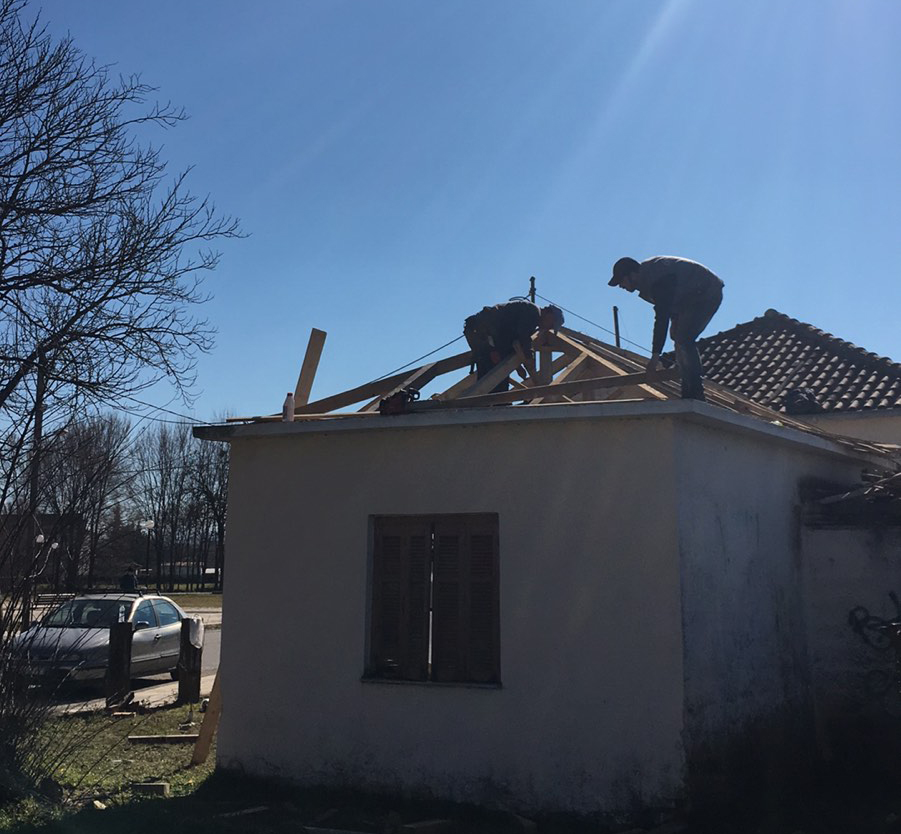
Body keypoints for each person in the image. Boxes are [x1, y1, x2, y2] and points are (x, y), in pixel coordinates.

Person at [608, 256, 723, 401]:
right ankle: (687, 386)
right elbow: (671, 302)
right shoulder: (649, 278)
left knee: (684, 338)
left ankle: (695, 390)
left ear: (632, 274)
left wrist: (655, 357)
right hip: (689, 298)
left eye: (622, 281)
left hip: (706, 293)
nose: (621, 286)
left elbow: (661, 317)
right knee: (676, 335)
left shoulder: (657, 279)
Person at [463, 300, 564, 392]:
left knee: (494, 377)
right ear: (549, 314)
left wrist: (518, 367)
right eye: (551, 325)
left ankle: (486, 402)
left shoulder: (529, 314)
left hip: (478, 331)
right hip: (482, 332)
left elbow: (513, 342)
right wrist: (529, 358)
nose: (548, 328)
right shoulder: (533, 312)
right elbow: (523, 338)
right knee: (496, 378)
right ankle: (491, 403)